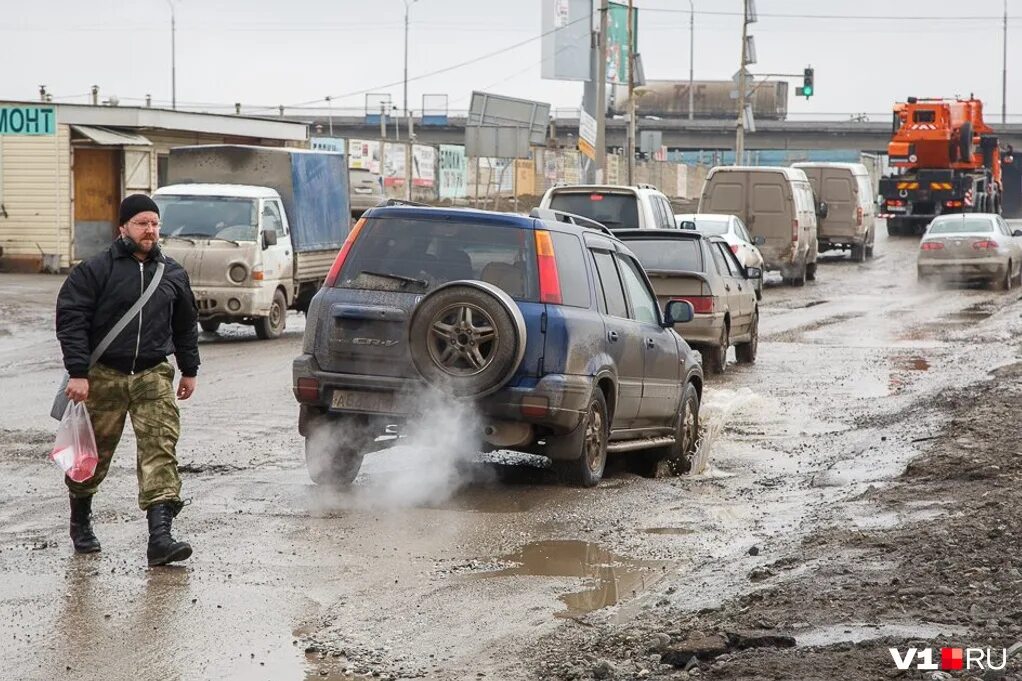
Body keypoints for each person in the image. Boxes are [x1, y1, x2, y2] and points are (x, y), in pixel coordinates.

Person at [55, 194, 200, 566]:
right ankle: (81, 519)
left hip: (153, 374)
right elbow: (72, 321)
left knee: (160, 449)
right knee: (93, 456)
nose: (149, 230)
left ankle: (160, 538)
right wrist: (77, 372)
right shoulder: (95, 270)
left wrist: (190, 369)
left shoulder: (172, 273)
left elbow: (185, 325)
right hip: (104, 376)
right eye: (141, 223)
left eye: (154, 223)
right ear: (123, 228)